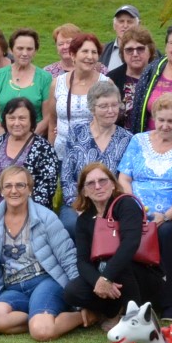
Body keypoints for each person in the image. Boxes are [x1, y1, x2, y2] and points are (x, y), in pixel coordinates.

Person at [119, 93, 172, 316]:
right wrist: (135, 207)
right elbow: (124, 178)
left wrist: (166, 215)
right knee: (127, 231)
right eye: (161, 120)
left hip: (171, 214)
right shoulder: (138, 140)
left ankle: (170, 303)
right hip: (136, 209)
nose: (165, 126)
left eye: (171, 121)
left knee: (166, 234)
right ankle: (132, 301)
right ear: (153, 118)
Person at [0, 165, 85, 340]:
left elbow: (67, 257)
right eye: (8, 186)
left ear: (29, 189)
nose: (14, 191)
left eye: (20, 185)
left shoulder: (46, 217)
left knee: (41, 332)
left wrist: (81, 302)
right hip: (13, 287)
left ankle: (82, 318)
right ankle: (39, 316)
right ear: (1, 191)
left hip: (45, 282)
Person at [63, 160, 164, 325]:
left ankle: (136, 319)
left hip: (140, 274)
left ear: (112, 184)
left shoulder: (126, 204)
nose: (97, 186)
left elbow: (130, 244)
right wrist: (98, 281)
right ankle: (112, 311)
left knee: (117, 261)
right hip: (106, 276)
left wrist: (106, 278)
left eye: (102, 181)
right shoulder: (84, 219)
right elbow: (82, 261)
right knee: (72, 292)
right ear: (84, 192)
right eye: (90, 183)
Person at [60, 80, 132, 232]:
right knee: (73, 225)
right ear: (92, 109)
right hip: (80, 201)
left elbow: (127, 180)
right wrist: (79, 206)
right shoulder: (77, 132)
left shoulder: (128, 139)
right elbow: (67, 176)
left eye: (114, 105)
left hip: (113, 204)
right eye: (104, 106)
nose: (111, 110)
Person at [0, 97, 60, 217]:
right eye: (11, 118)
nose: (16, 123)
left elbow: (46, 190)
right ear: (5, 120)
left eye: (22, 118)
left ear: (31, 120)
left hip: (29, 212)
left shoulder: (43, 148)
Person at [0, 28, 55, 140]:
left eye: (29, 49)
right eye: (20, 48)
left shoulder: (45, 78)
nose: (24, 53)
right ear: (11, 50)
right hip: (3, 140)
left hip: (34, 141)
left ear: (35, 51)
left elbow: (47, 117)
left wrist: (28, 140)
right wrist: (3, 140)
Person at [52, 33, 104, 161]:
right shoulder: (57, 83)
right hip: (62, 155)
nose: (90, 57)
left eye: (94, 52)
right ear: (73, 55)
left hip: (94, 155)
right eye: (85, 51)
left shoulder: (106, 84)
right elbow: (52, 122)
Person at [107, 25, 157, 132]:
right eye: (129, 50)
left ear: (150, 50)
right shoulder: (112, 79)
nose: (135, 54)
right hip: (121, 138)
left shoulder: (159, 77)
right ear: (122, 53)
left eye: (140, 49)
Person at [102, 5, 140, 71]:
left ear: (138, 25)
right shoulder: (102, 51)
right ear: (114, 25)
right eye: (121, 21)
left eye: (130, 22)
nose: (125, 26)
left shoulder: (150, 52)